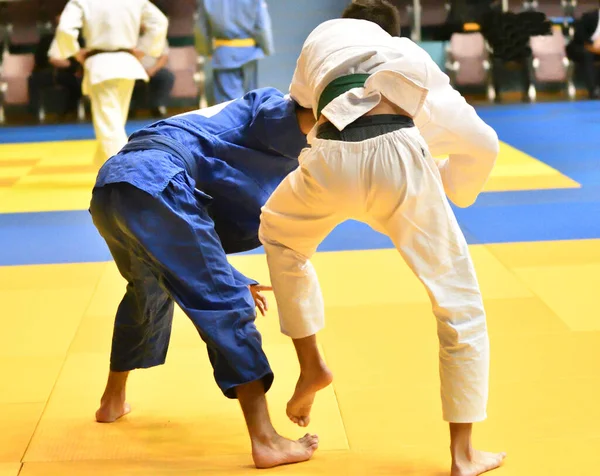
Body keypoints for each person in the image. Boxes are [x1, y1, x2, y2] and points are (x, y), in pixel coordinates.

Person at [258, 1, 505, 475]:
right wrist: (452, 187)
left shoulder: (322, 36)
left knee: (280, 235)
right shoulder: (406, 53)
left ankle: (311, 362)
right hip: (399, 159)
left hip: (329, 158)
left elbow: (304, 114)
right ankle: (463, 455)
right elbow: (482, 142)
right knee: (459, 305)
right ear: (388, 33)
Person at [89, 87, 318, 469]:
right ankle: (266, 440)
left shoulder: (215, 117)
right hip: (160, 180)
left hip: (113, 185)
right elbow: (289, 122)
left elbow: (193, 224)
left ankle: (112, 400)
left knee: (146, 291)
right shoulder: (274, 109)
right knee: (225, 303)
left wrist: (231, 272)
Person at [53, 0, 168, 166]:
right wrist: (146, 48)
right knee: (114, 121)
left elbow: (65, 28)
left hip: (100, 64)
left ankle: (125, 168)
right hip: (127, 63)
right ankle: (104, 164)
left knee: (109, 124)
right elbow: (160, 22)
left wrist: (74, 52)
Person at [197, 0, 274, 104]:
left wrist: (207, 51)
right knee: (250, 101)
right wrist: (266, 48)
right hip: (250, 53)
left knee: (228, 105)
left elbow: (201, 28)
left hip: (224, 55)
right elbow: (263, 26)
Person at [28, 17, 83, 119]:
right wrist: (51, 60)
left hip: (67, 73)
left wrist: (68, 64)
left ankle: (70, 113)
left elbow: (79, 62)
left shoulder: (76, 40)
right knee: (33, 80)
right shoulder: (46, 40)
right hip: (47, 72)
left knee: (77, 82)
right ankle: (34, 114)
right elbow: (38, 59)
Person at [131, 28, 175, 118]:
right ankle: (130, 108)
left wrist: (153, 69)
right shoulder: (128, 35)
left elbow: (164, 57)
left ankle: (159, 107)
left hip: (153, 69)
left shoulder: (158, 35)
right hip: (133, 70)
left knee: (167, 76)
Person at [567, 2, 600, 99]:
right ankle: (593, 91)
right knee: (587, 54)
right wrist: (591, 44)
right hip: (580, 47)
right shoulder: (590, 17)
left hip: (597, 51)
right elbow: (579, 36)